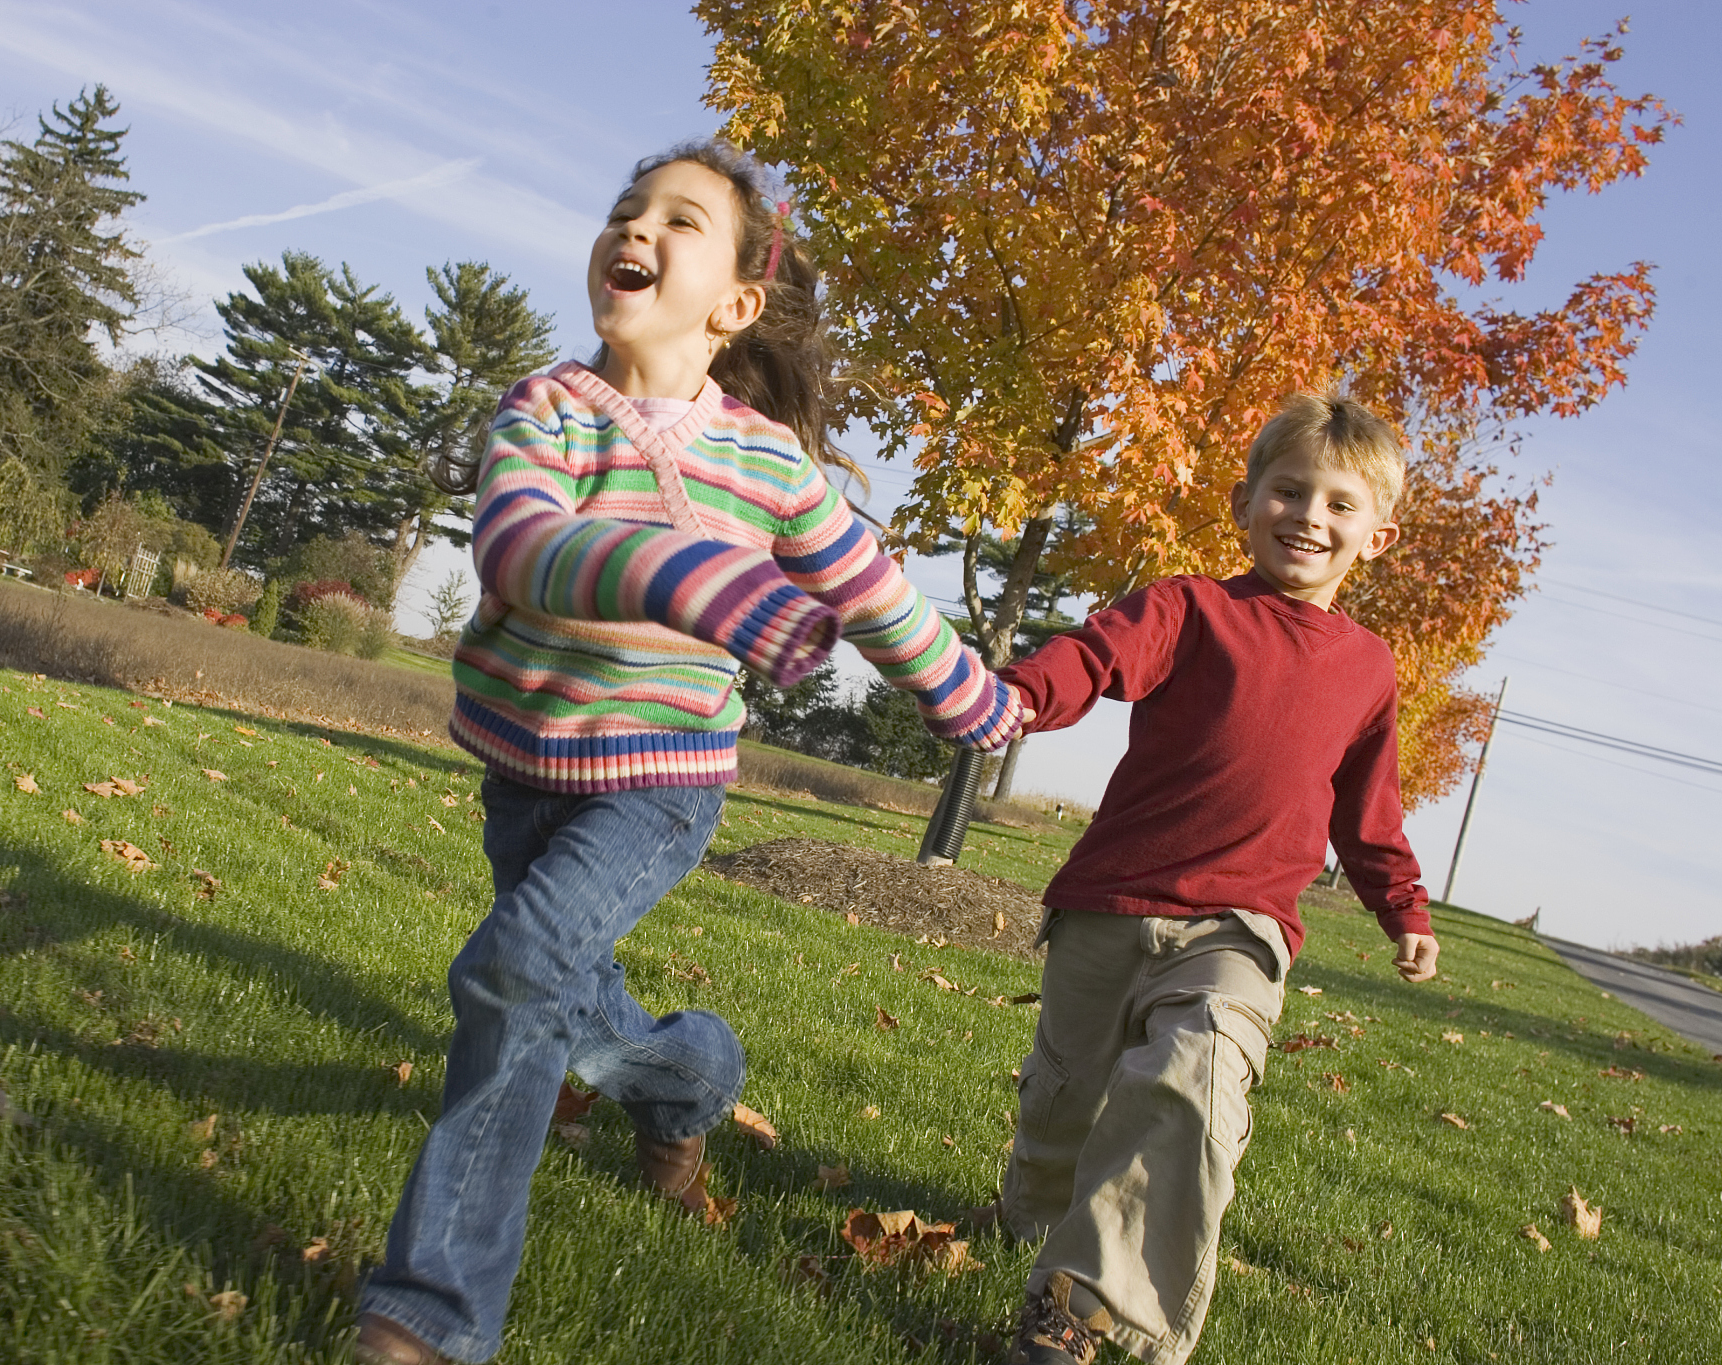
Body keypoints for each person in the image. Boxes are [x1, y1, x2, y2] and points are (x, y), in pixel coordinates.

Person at [351, 140, 1022, 1365]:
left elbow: (874, 594)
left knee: (511, 979)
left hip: (657, 786)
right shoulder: (545, 406)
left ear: (733, 304)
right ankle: (689, 1077)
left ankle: (428, 1318)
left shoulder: (767, 463)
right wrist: (684, 574)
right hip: (528, 769)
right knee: (577, 1010)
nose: (636, 228)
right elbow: (516, 546)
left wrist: (964, 694)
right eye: (624, 210)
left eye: (678, 219)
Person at [983, 394, 1442, 1365]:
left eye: (1337, 503)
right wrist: (1020, 696)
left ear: (1377, 534)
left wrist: (1399, 902)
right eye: (1286, 491)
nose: (1307, 516)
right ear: (1243, 501)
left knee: (1191, 1084)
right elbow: (1094, 655)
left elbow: (1368, 809)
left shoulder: (1368, 667)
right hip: (1110, 899)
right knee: (1061, 1105)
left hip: (1240, 930)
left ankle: (1085, 1307)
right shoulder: (1186, 607)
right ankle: (1030, 1219)